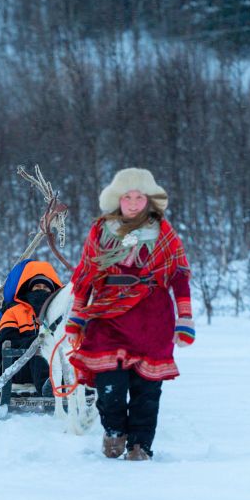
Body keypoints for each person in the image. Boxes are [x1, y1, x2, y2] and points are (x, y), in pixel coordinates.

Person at [65, 168, 195, 461]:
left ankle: (140, 446)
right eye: (127, 197)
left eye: (139, 197)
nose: (134, 203)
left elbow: (179, 276)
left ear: (149, 200)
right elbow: (86, 274)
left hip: (153, 318)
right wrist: (77, 316)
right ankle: (114, 432)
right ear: (118, 199)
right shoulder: (100, 230)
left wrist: (185, 319)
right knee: (109, 385)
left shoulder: (164, 234)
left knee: (146, 391)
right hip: (107, 316)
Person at [0, 259, 63, 397]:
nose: (41, 290)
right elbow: (5, 344)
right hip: (20, 367)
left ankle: (76, 385)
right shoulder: (14, 312)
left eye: (45, 288)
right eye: (37, 287)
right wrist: (38, 341)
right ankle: (50, 388)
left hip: (56, 363)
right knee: (40, 349)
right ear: (29, 289)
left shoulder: (59, 313)